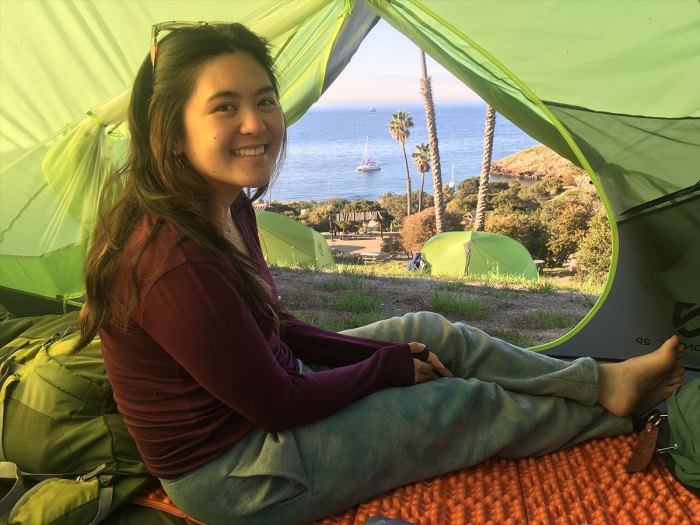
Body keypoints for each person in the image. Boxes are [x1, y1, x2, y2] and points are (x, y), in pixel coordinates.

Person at [74, 22, 685, 525]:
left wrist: (391, 358)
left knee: (433, 330)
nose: (257, 123)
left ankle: (601, 381)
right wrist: (385, 371)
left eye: (264, 100)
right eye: (224, 107)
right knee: (458, 405)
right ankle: (626, 415)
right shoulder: (171, 259)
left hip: (272, 401)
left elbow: (276, 328)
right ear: (171, 132)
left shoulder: (226, 204)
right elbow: (277, 405)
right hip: (239, 472)